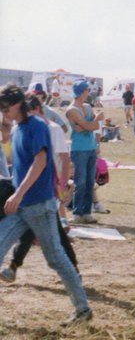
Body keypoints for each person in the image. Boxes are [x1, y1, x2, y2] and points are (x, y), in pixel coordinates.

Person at [0, 84, 92, 326]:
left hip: (39, 205)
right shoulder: (18, 128)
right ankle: (82, 309)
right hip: (22, 205)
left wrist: (18, 194)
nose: (2, 111)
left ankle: (82, 309)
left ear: (16, 103)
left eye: (3, 106)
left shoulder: (37, 126)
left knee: (55, 258)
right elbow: (17, 160)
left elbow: (40, 162)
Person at [0, 95, 78, 284]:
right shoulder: (21, 128)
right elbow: (9, 145)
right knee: (29, 227)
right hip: (26, 186)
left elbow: (63, 159)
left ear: (36, 109)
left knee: (53, 232)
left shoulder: (51, 128)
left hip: (44, 187)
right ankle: (13, 267)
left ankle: (72, 269)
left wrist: (61, 184)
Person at [65, 79, 103, 224]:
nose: (89, 92)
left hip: (91, 148)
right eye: (87, 90)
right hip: (79, 149)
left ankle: (87, 212)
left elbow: (86, 126)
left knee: (89, 181)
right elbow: (88, 126)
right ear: (82, 92)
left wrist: (87, 125)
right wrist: (94, 121)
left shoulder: (87, 107)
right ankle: (77, 212)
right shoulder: (71, 110)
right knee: (80, 182)